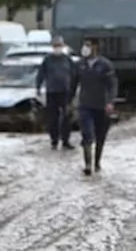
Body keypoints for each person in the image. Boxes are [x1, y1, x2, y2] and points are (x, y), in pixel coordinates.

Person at [75, 38, 118, 175]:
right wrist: (69, 101)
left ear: (95, 47)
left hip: (102, 106)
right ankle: (87, 164)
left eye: (88, 45)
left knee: (100, 136)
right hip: (85, 105)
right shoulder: (80, 64)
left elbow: (112, 85)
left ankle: (97, 162)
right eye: (84, 45)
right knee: (87, 134)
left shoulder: (105, 65)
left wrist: (110, 102)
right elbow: (73, 83)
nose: (85, 48)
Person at [36, 36, 78, 150]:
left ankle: (66, 140)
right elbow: (41, 74)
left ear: (63, 46)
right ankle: (54, 140)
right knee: (53, 118)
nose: (57, 48)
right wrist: (38, 87)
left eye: (59, 45)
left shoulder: (67, 59)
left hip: (65, 92)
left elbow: (75, 75)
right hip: (52, 92)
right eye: (55, 46)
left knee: (66, 117)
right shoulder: (48, 60)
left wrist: (74, 90)